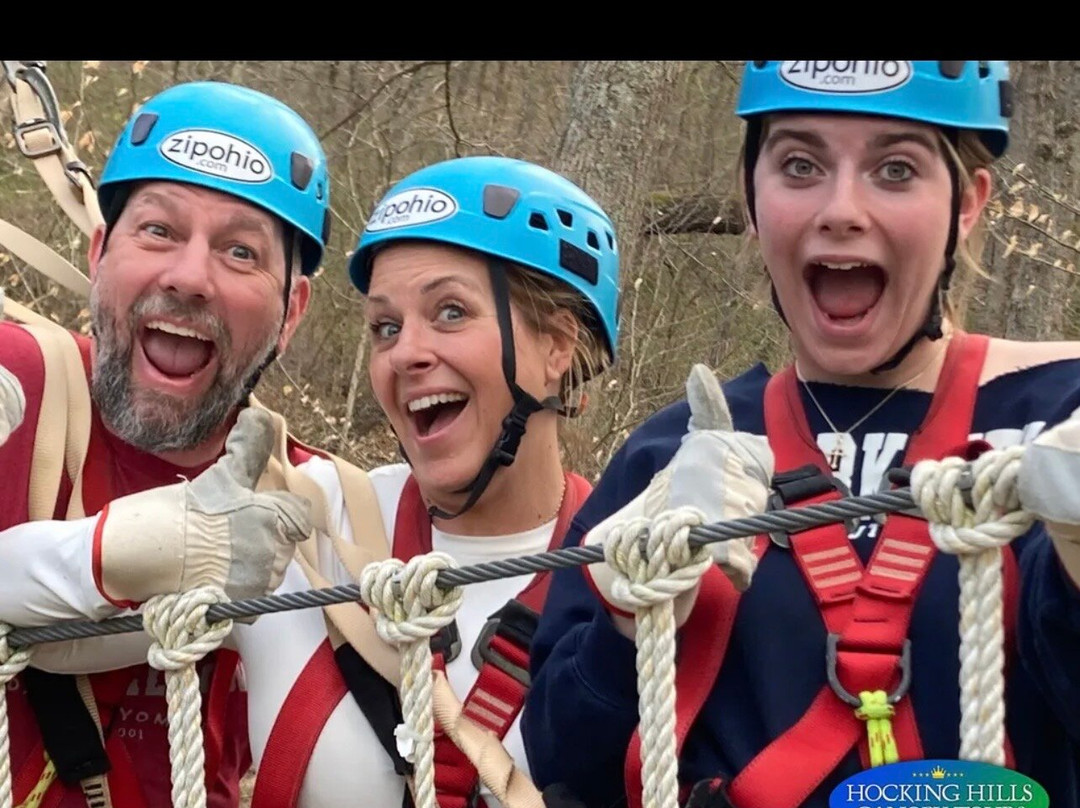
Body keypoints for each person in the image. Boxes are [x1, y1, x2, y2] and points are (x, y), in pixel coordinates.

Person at [523, 60, 1080, 808]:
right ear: (752, 201)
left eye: (895, 168)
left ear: (968, 204)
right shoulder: (678, 451)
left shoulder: (1054, 417)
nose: (841, 209)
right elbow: (567, 763)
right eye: (798, 165)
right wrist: (627, 626)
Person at [1, 154, 622, 808]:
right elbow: (38, 626)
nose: (405, 353)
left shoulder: (625, 570)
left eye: (448, 313)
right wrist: (120, 552)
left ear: (557, 347)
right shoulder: (311, 518)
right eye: (385, 326)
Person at [0, 79, 328, 808]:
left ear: (290, 313)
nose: (189, 278)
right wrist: (100, 559)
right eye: (158, 231)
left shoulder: (315, 508)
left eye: (241, 252)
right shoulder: (15, 392)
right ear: (97, 254)